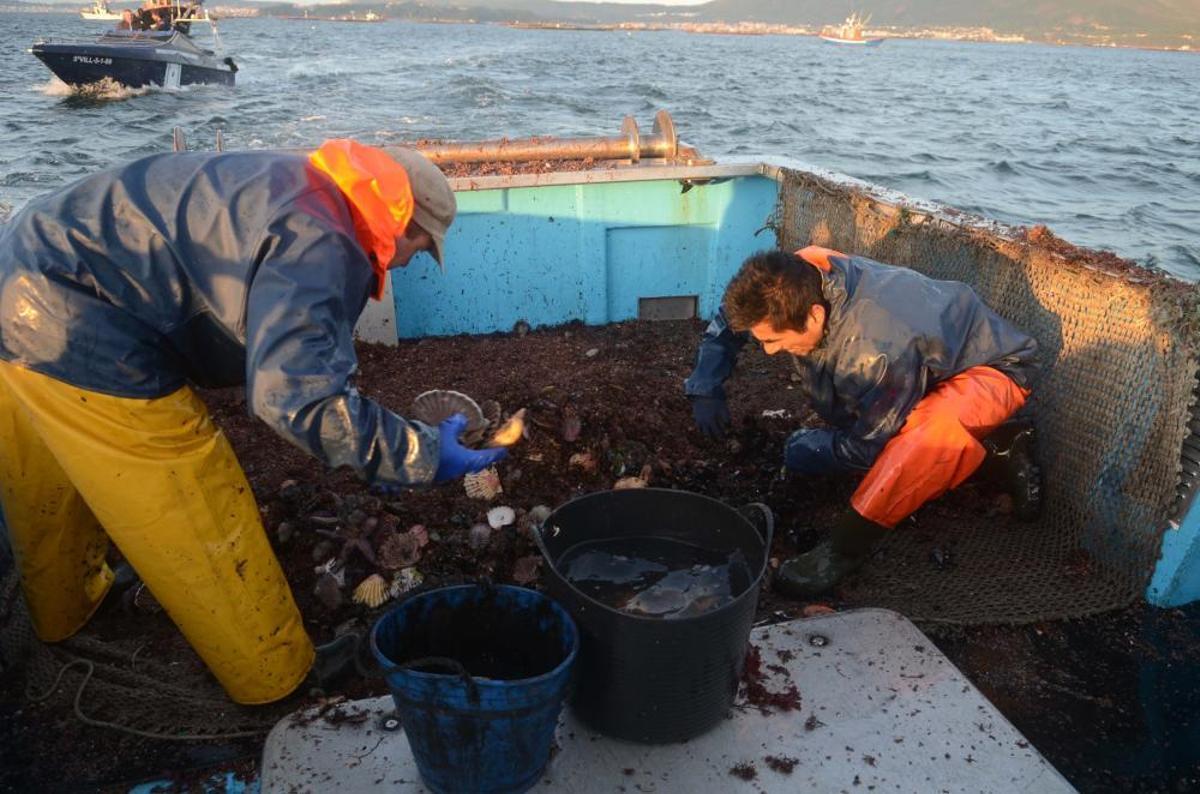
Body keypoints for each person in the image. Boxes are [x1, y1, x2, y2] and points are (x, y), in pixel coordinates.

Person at [0, 140, 506, 705]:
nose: (409, 262)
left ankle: (67, 608)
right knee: (192, 495)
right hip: (75, 319)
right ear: (404, 224)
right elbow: (295, 398)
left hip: (23, 263)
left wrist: (369, 449)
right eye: (420, 247)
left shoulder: (303, 185)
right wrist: (423, 455)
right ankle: (276, 676)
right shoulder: (324, 242)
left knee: (48, 480)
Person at [685, 246, 1040, 597]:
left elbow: (868, 446)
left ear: (813, 317)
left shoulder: (875, 351)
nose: (768, 351)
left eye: (775, 341)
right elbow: (733, 318)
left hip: (992, 370)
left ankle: (844, 550)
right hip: (920, 358)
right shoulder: (796, 274)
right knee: (866, 411)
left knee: (923, 441)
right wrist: (706, 384)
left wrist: (811, 447)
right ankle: (1000, 449)